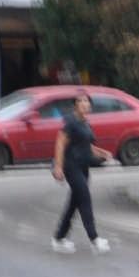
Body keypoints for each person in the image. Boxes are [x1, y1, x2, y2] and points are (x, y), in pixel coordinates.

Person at [51, 93, 114, 254]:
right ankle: (94, 239)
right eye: (80, 101)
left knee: (74, 204)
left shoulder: (86, 123)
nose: (84, 104)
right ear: (75, 106)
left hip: (83, 167)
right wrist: (58, 166)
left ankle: (59, 238)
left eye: (86, 101)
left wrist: (102, 153)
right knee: (85, 198)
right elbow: (60, 142)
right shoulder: (71, 122)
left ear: (90, 106)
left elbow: (88, 146)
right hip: (71, 166)